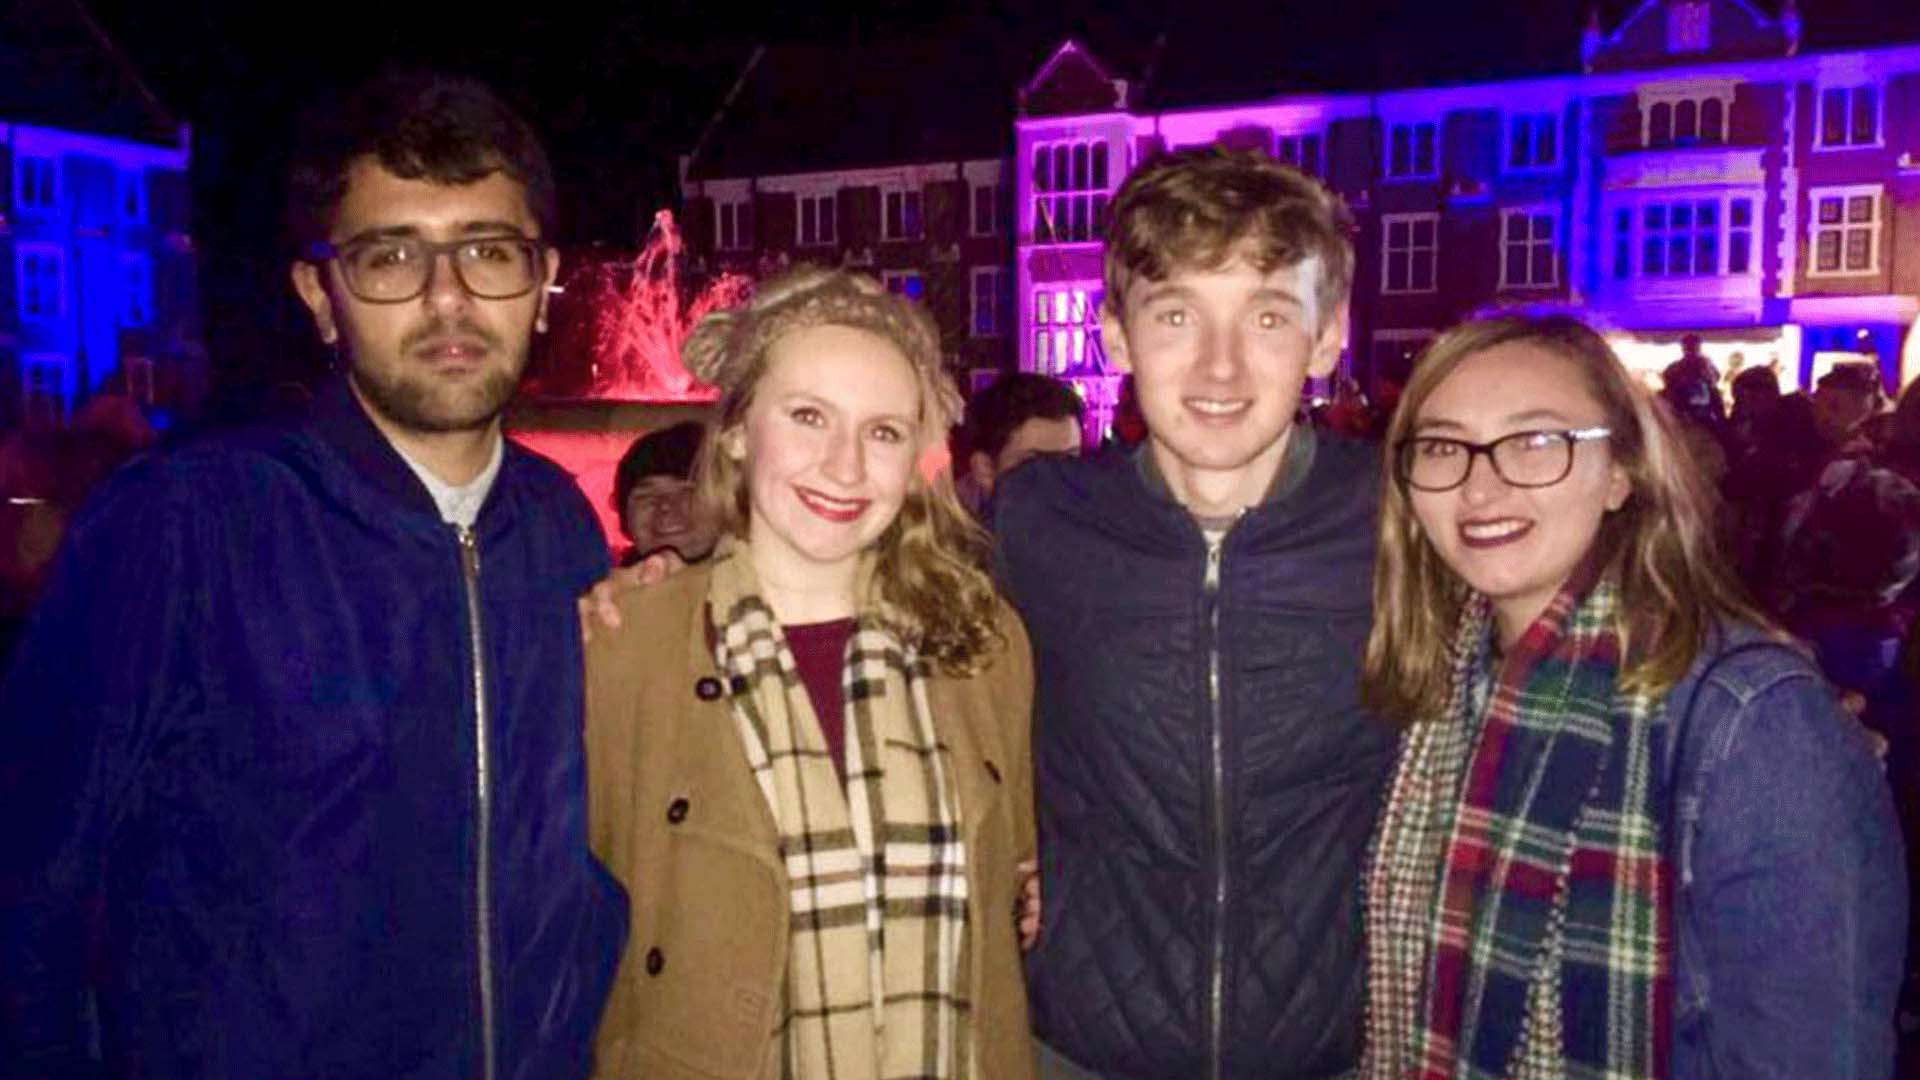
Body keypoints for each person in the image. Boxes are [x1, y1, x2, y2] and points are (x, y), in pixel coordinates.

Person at [0, 73, 625, 1079]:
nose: (449, 297)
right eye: (391, 257)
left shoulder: (561, 531)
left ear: (543, 278)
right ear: (319, 296)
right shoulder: (187, 526)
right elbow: (31, 890)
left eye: (489, 250)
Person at [1359, 314, 1905, 1080]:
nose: (1480, 486)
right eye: (1445, 447)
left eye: (1536, 441)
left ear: (1621, 471)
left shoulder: (1750, 720)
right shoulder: (1438, 689)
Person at [995, 146, 1398, 1080]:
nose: (1220, 365)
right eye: (1177, 314)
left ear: (1327, 337)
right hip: (1080, 1049)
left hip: (1336, 1049)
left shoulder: (1401, 520)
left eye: (1266, 315)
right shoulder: (1041, 517)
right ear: (1117, 336)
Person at [584, 266, 1038, 1080]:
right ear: (735, 431)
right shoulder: (624, 645)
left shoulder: (984, 646)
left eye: (884, 432)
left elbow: (1012, 898)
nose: (845, 465)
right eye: (807, 417)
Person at [954, 371, 1083, 515]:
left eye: (1070, 460)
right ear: (985, 469)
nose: (1059, 481)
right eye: (1035, 464)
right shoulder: (940, 530)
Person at [610, 420, 720, 566]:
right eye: (646, 496)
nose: (665, 505)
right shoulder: (606, 585)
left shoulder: (755, 581)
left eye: (688, 492)